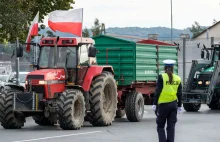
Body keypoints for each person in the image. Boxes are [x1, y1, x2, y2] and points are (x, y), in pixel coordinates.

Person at [152, 59, 182, 142]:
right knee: (171, 127)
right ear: (173, 68)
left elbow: (158, 91)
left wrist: (154, 103)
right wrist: (179, 105)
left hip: (163, 106)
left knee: (160, 126)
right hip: (173, 105)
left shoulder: (162, 77)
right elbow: (180, 93)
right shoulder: (178, 78)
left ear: (165, 68)